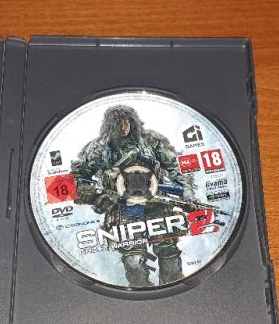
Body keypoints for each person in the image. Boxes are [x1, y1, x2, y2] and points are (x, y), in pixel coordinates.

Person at [70, 104, 193, 287]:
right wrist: (96, 197)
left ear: (133, 122)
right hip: (123, 208)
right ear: (110, 125)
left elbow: (176, 168)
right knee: (133, 261)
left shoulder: (151, 140)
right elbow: (73, 180)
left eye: (127, 122)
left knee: (169, 255)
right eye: (118, 123)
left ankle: (175, 294)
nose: (124, 127)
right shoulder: (98, 148)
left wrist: (187, 192)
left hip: (157, 204)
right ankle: (144, 297)